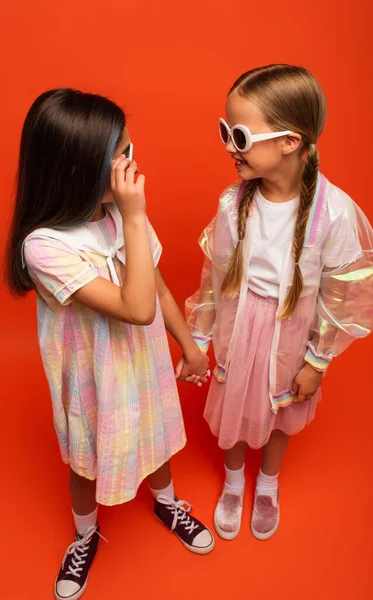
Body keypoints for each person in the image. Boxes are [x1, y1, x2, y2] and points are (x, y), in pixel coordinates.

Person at [7, 88, 214, 600]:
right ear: (76, 170)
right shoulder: (45, 245)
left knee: (159, 436)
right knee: (86, 458)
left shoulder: (121, 218)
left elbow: (158, 288)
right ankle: (84, 535)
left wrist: (187, 346)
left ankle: (165, 501)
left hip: (143, 367)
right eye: (119, 155)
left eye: (130, 147)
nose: (132, 164)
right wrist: (137, 216)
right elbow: (135, 307)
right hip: (93, 379)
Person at [184, 65, 373, 541]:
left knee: (281, 410)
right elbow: (215, 274)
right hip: (240, 323)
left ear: (289, 142)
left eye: (239, 135)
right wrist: (200, 335)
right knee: (233, 404)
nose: (229, 147)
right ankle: (234, 481)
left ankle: (267, 484)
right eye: (224, 132)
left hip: (291, 331)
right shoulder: (233, 204)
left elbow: (344, 292)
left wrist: (318, 359)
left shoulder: (332, 212)